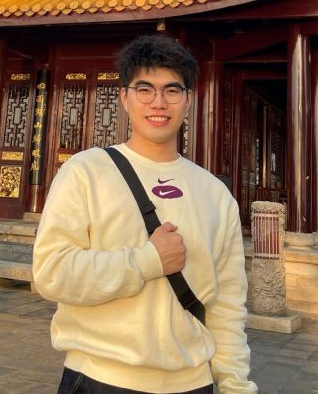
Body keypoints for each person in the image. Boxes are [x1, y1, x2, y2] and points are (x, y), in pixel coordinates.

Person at [33, 34, 257, 394]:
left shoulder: (215, 194)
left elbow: (228, 304)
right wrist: (147, 261)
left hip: (192, 383)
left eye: (172, 90)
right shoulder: (86, 172)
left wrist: (235, 384)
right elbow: (52, 273)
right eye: (145, 89)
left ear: (188, 99)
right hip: (100, 378)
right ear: (124, 97)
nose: (159, 102)